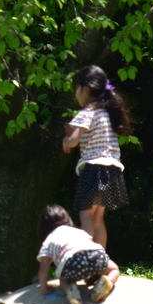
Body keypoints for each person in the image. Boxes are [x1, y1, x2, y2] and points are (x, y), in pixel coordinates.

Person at [62, 65, 132, 249]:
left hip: (94, 169)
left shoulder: (87, 112)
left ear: (85, 89)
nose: (75, 94)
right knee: (98, 218)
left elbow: (73, 142)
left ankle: (86, 258)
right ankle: (100, 261)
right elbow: (92, 135)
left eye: (75, 89)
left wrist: (66, 139)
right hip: (113, 169)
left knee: (85, 215)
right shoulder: (106, 113)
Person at [37, 204, 121, 304]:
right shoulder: (77, 231)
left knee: (63, 280)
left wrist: (45, 289)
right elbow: (89, 244)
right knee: (114, 269)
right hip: (96, 256)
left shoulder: (49, 240)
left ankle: (71, 291)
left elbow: (43, 269)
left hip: (72, 266)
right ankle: (108, 282)